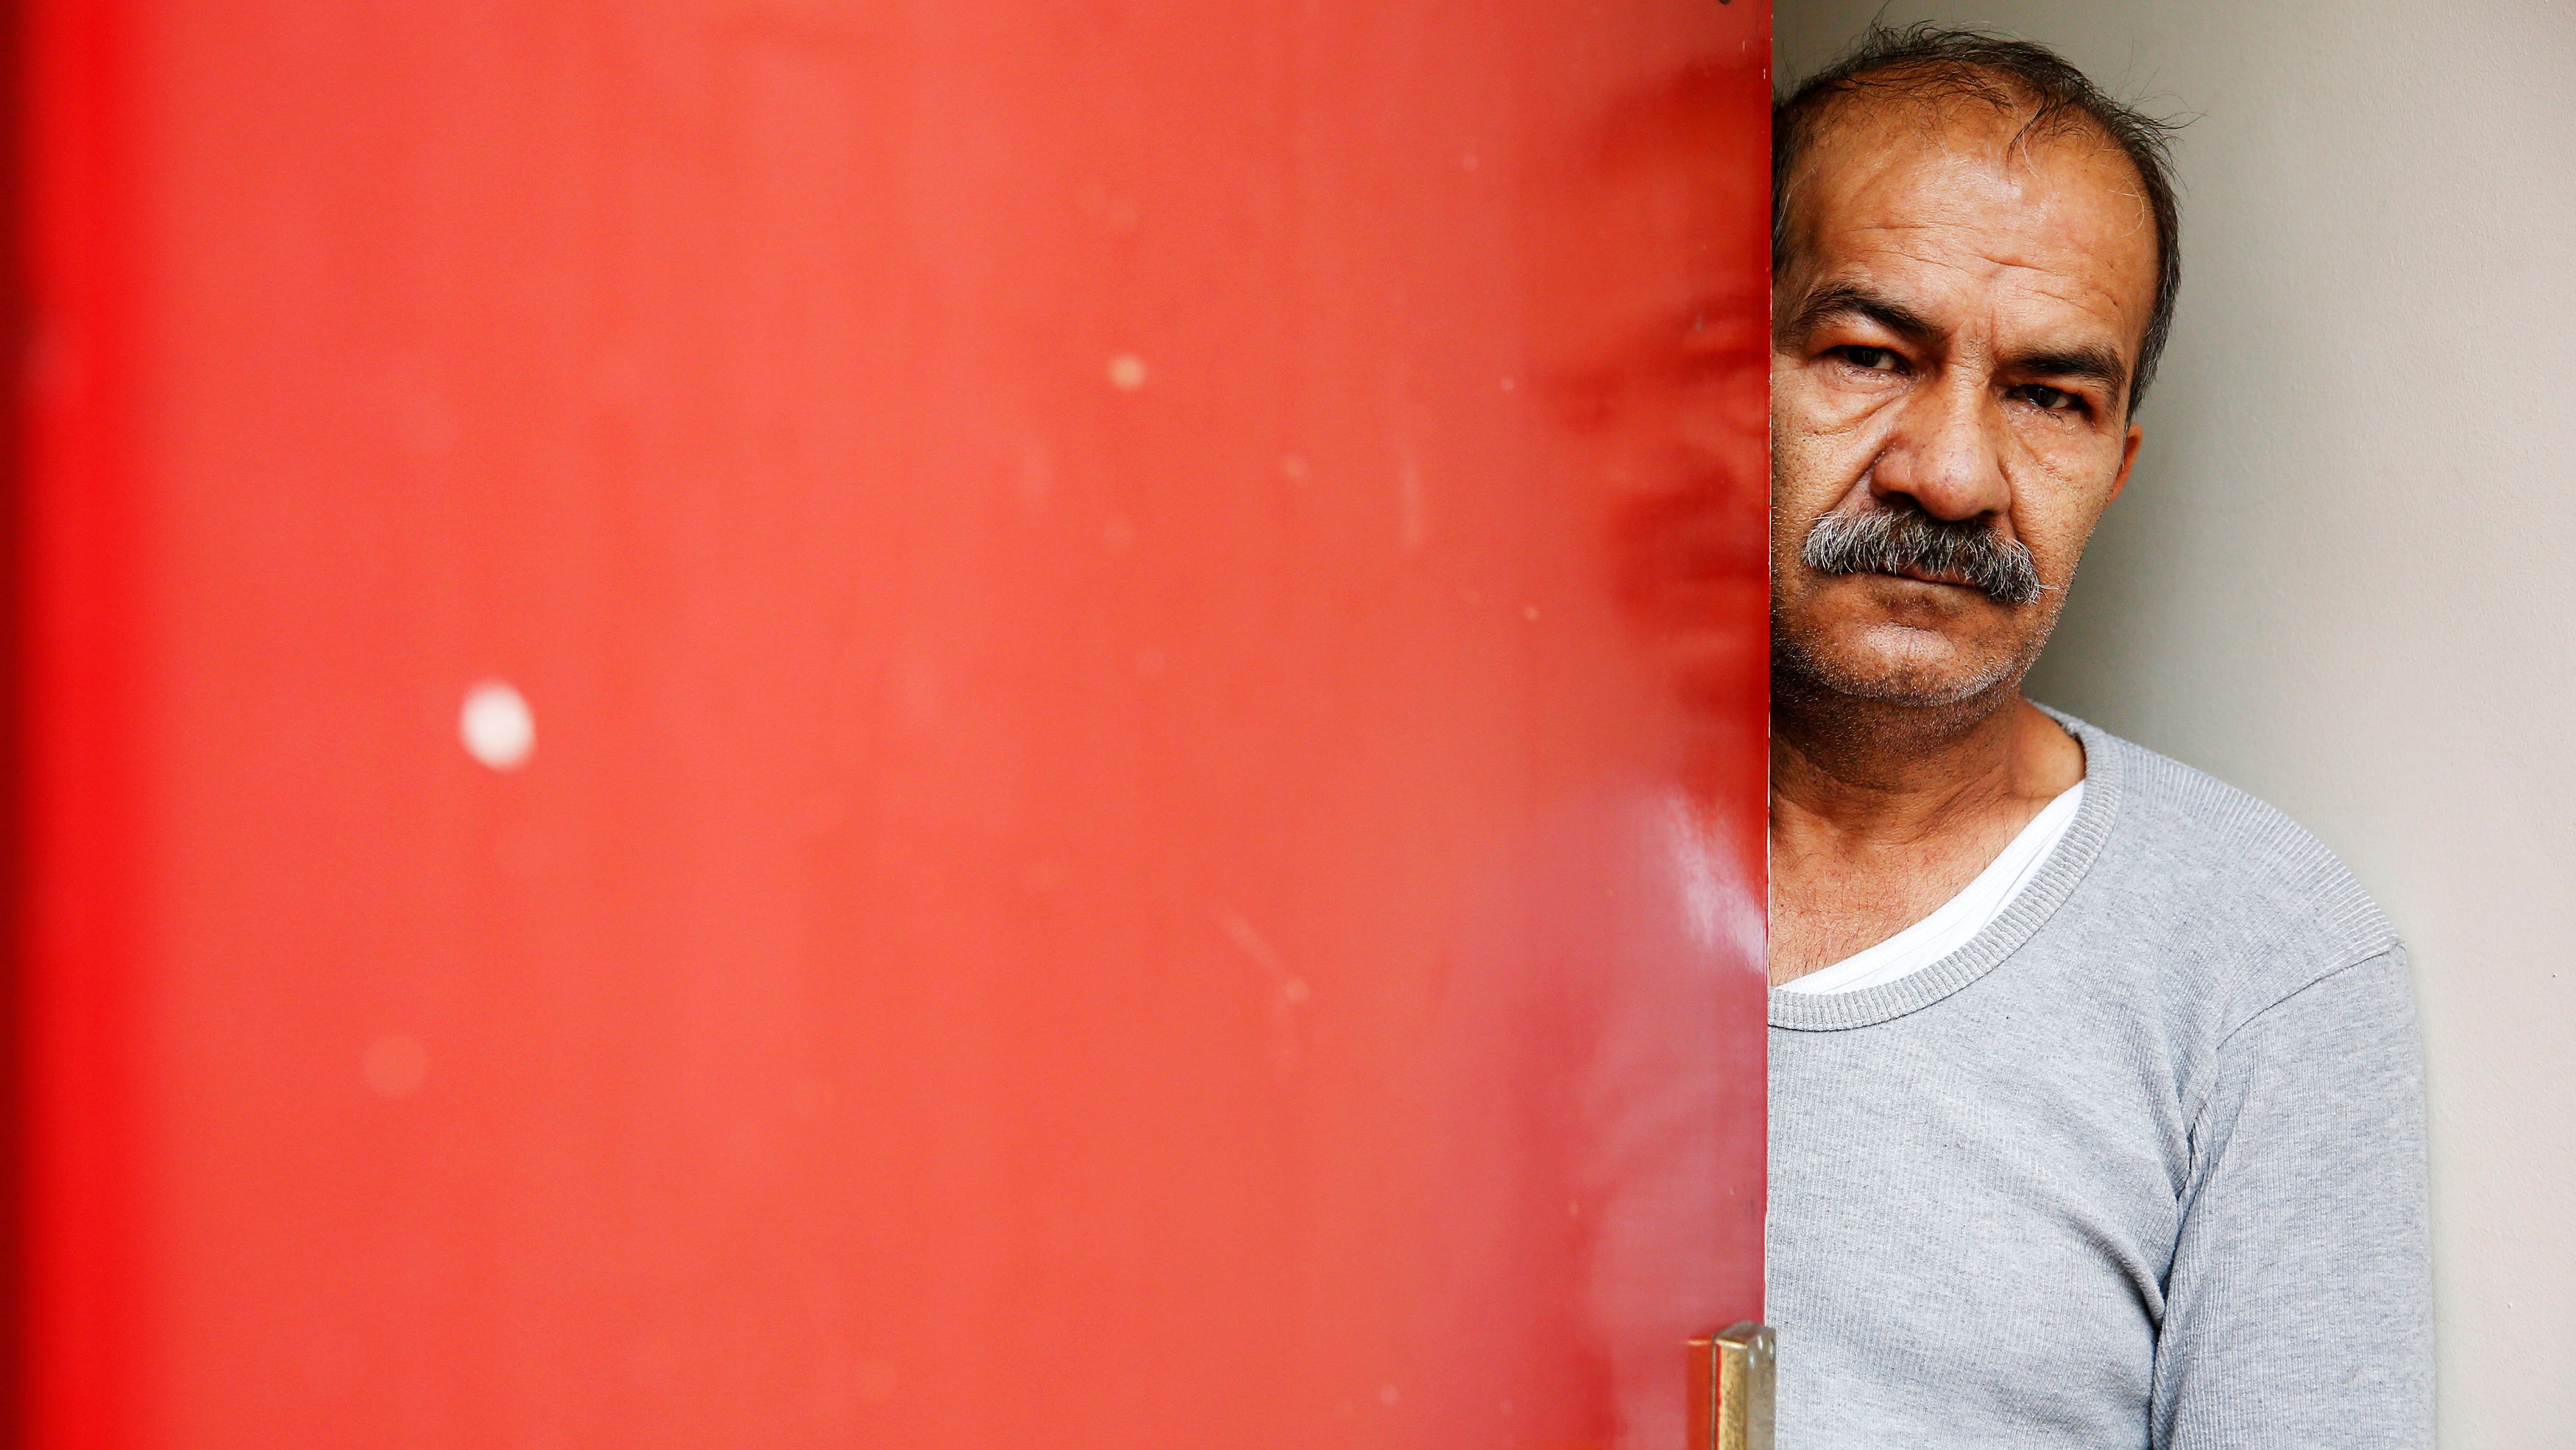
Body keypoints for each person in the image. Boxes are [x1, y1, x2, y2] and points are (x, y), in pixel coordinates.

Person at [1763, 25, 2433, 1449]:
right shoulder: (1476, 866)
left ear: (2117, 462)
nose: (1952, 474)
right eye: (1870, 353)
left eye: (2049, 397)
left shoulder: (2265, 961)